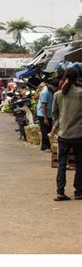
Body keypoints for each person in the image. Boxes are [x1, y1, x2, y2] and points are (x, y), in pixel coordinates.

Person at [51, 68, 82, 201]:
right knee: (80, 164)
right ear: (77, 79)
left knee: (62, 164)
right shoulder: (81, 93)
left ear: (65, 78)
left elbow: (55, 114)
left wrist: (59, 125)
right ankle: (79, 191)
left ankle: (60, 192)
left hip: (63, 135)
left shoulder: (58, 95)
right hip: (79, 134)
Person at [37, 79, 59, 152]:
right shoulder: (45, 92)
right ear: (53, 86)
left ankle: (47, 146)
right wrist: (45, 118)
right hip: (43, 114)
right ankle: (45, 146)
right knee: (45, 130)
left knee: (48, 129)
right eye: (57, 88)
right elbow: (43, 106)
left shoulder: (51, 91)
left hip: (48, 113)